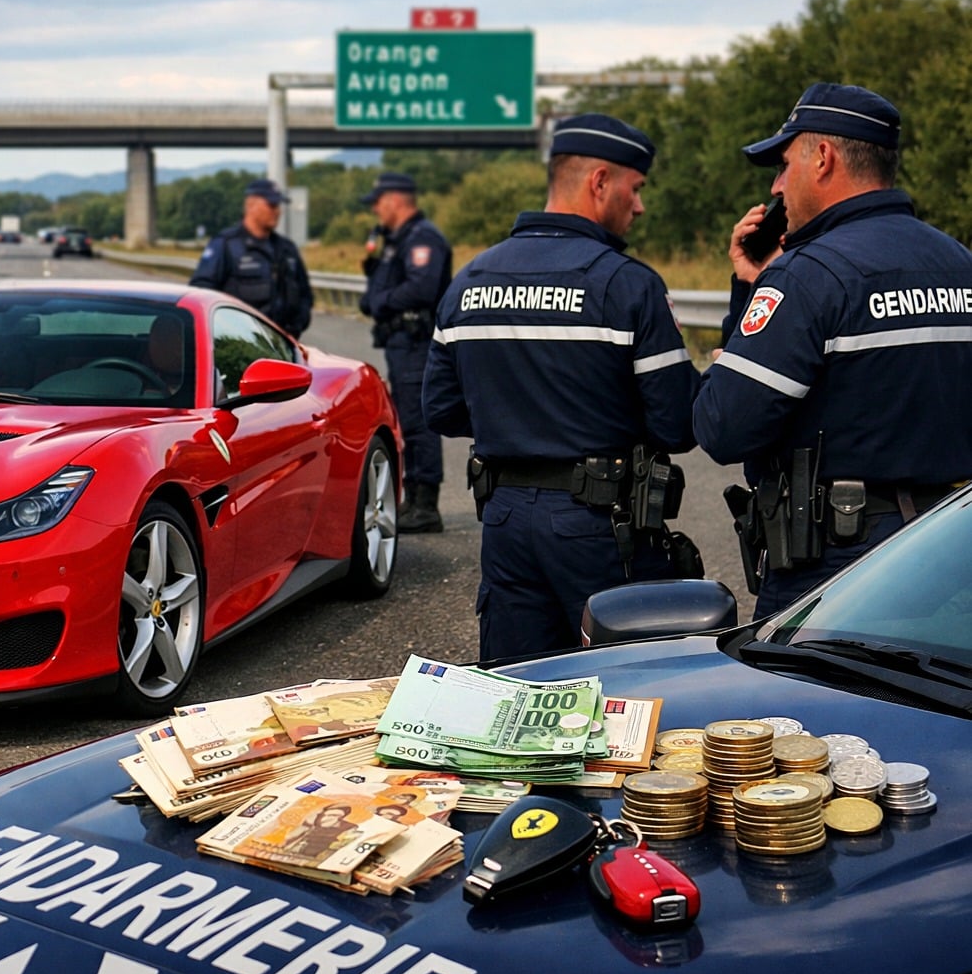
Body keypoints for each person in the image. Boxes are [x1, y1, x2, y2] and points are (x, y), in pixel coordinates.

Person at [422, 114, 700, 660]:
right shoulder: (628, 284)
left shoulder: (471, 280)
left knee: (513, 690)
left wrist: (517, 417)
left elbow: (441, 410)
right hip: (600, 525)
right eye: (635, 188)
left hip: (503, 519)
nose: (638, 205)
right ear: (600, 182)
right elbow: (676, 422)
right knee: (622, 682)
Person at [694, 83, 972, 618]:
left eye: (781, 165)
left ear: (821, 158)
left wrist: (753, 289)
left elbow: (722, 425)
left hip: (839, 576)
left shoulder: (806, 277)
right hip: (951, 559)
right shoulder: (958, 263)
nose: (776, 188)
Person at [359, 172, 455, 534]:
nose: (375, 210)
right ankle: (413, 498)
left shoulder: (422, 238)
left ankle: (426, 504)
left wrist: (379, 302)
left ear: (395, 201)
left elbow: (421, 288)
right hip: (400, 343)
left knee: (418, 423)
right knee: (408, 421)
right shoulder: (394, 241)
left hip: (416, 342)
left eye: (378, 202)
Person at [189, 178, 312, 338]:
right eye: (272, 205)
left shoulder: (287, 249)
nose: (278, 211)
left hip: (283, 347)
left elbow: (305, 296)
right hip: (240, 344)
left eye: (278, 206)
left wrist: (296, 327)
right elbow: (201, 292)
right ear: (251, 206)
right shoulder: (226, 245)